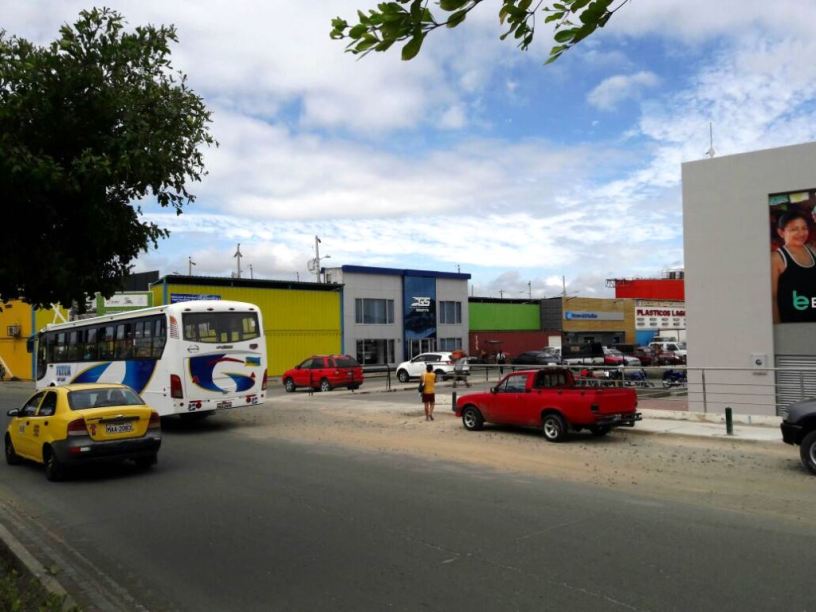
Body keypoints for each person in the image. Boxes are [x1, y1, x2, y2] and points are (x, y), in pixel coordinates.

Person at [771, 210, 816, 323]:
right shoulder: (776, 259)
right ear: (781, 232)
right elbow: (772, 299)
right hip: (794, 322)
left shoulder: (813, 251)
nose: (801, 233)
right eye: (794, 229)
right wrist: (779, 329)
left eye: (804, 228)